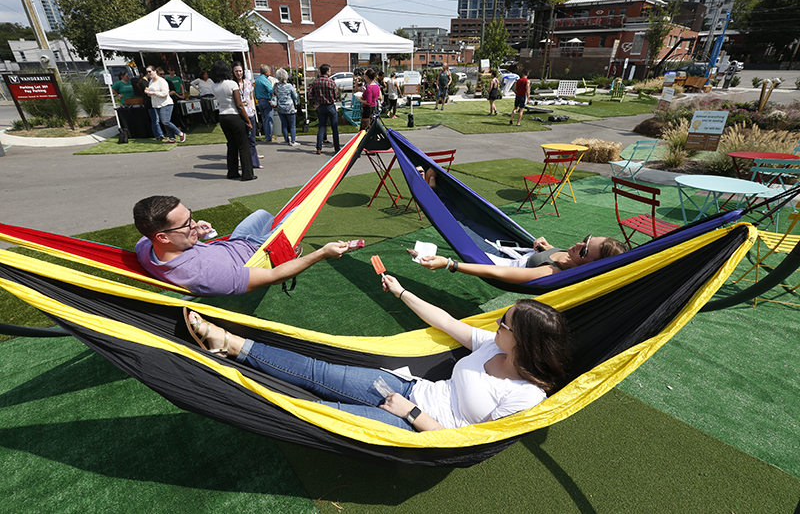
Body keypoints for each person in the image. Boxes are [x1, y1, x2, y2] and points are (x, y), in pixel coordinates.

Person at [183, 274, 570, 431]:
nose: (497, 325)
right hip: (404, 387)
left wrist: (411, 413)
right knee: (317, 371)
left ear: (523, 341)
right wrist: (401, 291)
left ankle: (229, 391)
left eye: (505, 323)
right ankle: (231, 344)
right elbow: (446, 321)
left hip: (417, 426)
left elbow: (469, 442)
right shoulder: (490, 344)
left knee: (323, 414)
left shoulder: (525, 396)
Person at [133, 195, 350, 296]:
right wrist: (322, 253)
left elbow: (147, 239)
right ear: (162, 237)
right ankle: (287, 251)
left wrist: (194, 231)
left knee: (261, 214)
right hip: (259, 253)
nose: (193, 224)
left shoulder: (145, 246)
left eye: (191, 217)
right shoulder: (205, 275)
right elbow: (274, 277)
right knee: (300, 211)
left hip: (236, 242)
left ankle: (286, 242)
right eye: (186, 224)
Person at [419, 235, 628, 284]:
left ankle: (430, 186)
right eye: (586, 239)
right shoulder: (571, 256)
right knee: (462, 222)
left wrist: (449, 264)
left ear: (592, 265)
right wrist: (548, 247)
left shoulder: (552, 272)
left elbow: (499, 273)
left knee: (459, 231)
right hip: (515, 249)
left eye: (584, 251)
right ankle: (433, 184)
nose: (578, 245)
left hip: (498, 260)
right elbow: (555, 252)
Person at [210, 60, 255, 181]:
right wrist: (248, 121)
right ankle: (247, 174)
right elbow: (239, 105)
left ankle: (232, 172)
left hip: (223, 116)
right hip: (234, 116)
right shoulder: (231, 85)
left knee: (231, 145)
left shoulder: (213, 86)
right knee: (244, 146)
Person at [144, 65, 186, 144]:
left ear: (155, 71)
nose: (149, 73)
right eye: (147, 72)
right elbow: (150, 93)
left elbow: (165, 93)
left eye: (150, 71)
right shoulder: (151, 81)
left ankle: (180, 133)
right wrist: (148, 93)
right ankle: (171, 139)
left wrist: (154, 93)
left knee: (165, 121)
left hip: (166, 104)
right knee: (165, 122)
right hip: (156, 104)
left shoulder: (162, 81)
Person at [232, 61, 261, 169]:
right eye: (236, 71)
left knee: (252, 139)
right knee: (241, 140)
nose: (238, 73)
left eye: (240, 71)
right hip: (239, 114)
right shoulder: (232, 84)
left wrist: (253, 108)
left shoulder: (247, 82)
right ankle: (245, 163)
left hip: (250, 112)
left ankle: (255, 162)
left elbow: (251, 96)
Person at [308, 63, 340, 155]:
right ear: (327, 72)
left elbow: (310, 95)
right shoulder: (331, 82)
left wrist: (314, 105)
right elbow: (336, 95)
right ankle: (336, 148)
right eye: (329, 70)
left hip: (321, 106)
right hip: (330, 105)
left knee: (321, 127)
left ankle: (319, 148)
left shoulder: (315, 82)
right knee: (334, 128)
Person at [274, 68, 300, 147]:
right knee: (292, 125)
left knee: (284, 124)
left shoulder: (276, 85)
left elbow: (274, 95)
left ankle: (286, 140)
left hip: (280, 107)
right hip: (289, 107)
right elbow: (295, 96)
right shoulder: (289, 86)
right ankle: (293, 141)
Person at [254, 65, 277, 143]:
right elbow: (271, 90)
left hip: (260, 101)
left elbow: (255, 92)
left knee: (264, 119)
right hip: (266, 101)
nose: (270, 72)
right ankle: (269, 137)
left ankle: (268, 134)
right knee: (269, 119)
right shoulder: (265, 80)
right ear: (266, 72)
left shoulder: (257, 80)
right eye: (269, 71)